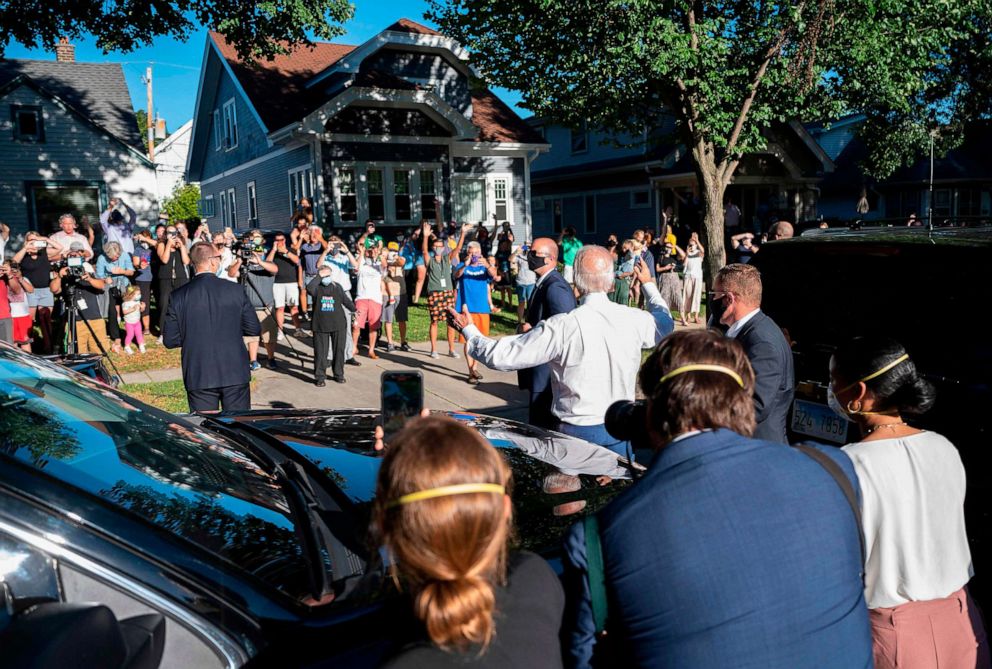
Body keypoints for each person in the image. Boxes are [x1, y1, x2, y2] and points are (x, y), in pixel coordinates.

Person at [561, 329, 872, 668]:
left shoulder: (599, 539)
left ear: (651, 413)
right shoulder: (832, 469)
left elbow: (583, 657)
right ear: (744, 403)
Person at [830, 337, 990, 669]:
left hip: (893, 635)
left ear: (858, 393)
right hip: (962, 622)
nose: (831, 390)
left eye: (834, 382)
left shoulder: (850, 464)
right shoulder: (943, 447)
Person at [374, 416, 565, 669]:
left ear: (385, 526)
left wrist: (397, 465)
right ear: (504, 510)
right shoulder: (533, 578)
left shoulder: (393, 650)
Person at [453, 247, 673, 455]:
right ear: (611, 282)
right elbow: (664, 323)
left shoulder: (563, 326)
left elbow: (503, 356)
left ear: (575, 280)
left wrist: (470, 331)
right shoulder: (633, 319)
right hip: (620, 426)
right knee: (620, 491)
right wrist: (648, 284)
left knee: (570, 494)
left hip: (576, 433)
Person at [163, 242, 261, 412]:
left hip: (199, 371)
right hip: (234, 369)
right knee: (238, 429)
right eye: (219, 257)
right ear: (213, 261)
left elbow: (171, 339)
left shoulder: (178, 296)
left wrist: (193, 335)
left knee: (207, 431)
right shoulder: (235, 290)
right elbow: (253, 328)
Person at [712, 263, 794, 443]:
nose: (712, 300)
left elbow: (755, 405)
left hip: (757, 448)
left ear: (729, 299)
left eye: (715, 295)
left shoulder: (761, 342)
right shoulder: (748, 332)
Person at [516, 237, 576, 430]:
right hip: (539, 363)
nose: (529, 257)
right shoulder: (543, 282)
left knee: (541, 426)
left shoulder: (555, 286)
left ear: (550, 259)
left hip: (547, 371)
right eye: (529, 253)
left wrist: (532, 330)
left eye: (534, 254)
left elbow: (564, 328)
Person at [232, 231, 280, 371]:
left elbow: (274, 269)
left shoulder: (267, 263)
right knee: (251, 336)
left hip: (266, 307)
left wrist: (259, 261)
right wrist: (240, 260)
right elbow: (231, 273)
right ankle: (253, 361)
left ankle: (271, 358)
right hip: (248, 307)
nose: (254, 252)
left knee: (269, 336)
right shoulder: (243, 264)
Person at [422, 221, 469, 359]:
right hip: (434, 293)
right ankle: (434, 349)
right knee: (435, 321)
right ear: (433, 247)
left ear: (444, 248)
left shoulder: (447, 259)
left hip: (448, 293)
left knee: (450, 321)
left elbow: (458, 249)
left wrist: (463, 233)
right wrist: (425, 236)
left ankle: (451, 349)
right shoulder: (429, 260)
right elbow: (424, 251)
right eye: (436, 246)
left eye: (440, 247)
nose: (438, 249)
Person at [50, 242, 108, 354]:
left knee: (98, 351)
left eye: (77, 256)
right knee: (78, 352)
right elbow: (53, 289)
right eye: (71, 257)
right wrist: (59, 276)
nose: (74, 259)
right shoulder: (64, 273)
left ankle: (97, 370)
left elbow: (101, 285)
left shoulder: (87, 269)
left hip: (94, 317)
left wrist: (89, 279)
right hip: (74, 319)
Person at [454, 241, 498, 385]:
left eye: (476, 253)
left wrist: (486, 265)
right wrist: (465, 264)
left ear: (480, 253)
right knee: (468, 340)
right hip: (466, 308)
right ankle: (471, 371)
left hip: (482, 308)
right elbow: (456, 275)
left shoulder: (484, 266)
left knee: (480, 340)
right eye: (471, 253)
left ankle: (475, 368)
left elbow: (494, 276)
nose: (473, 256)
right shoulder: (463, 265)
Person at [306, 266, 355, 386]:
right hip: (320, 325)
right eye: (324, 275)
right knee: (321, 353)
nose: (326, 278)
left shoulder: (337, 287)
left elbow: (345, 300)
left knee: (339, 351)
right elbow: (309, 289)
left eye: (328, 275)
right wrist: (319, 276)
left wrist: (355, 310)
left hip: (338, 324)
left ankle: (339, 374)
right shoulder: (316, 287)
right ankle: (320, 377)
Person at [319, 236, 362, 368]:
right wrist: (326, 251)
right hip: (330, 293)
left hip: (345, 293)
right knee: (331, 325)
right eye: (332, 242)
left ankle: (348, 355)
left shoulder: (344, 258)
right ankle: (330, 357)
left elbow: (356, 265)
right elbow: (318, 266)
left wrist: (346, 250)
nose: (335, 246)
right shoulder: (326, 257)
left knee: (347, 324)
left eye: (336, 242)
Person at [12, 232, 59, 352]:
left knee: (46, 318)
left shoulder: (44, 252)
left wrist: (44, 239)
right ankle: (28, 344)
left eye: (35, 240)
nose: (34, 243)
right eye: (30, 240)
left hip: (46, 289)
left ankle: (48, 346)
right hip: (30, 290)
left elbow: (60, 248)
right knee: (30, 320)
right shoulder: (24, 255)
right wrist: (25, 248)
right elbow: (13, 261)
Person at [95, 241, 135, 353]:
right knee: (112, 312)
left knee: (130, 308)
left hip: (124, 284)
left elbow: (131, 272)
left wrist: (122, 271)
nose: (114, 259)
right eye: (111, 257)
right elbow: (98, 276)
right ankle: (116, 337)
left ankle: (132, 334)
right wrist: (105, 279)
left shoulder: (125, 255)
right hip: (110, 286)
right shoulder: (101, 258)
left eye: (116, 256)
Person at [352, 235, 387, 360]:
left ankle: (371, 350)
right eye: (369, 250)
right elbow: (356, 267)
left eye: (373, 249)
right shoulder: (361, 261)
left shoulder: (378, 263)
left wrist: (378, 252)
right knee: (356, 325)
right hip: (361, 298)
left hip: (375, 299)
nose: (371, 252)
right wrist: (362, 251)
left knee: (373, 326)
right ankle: (354, 347)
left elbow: (384, 266)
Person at [155, 225, 190, 338]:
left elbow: (186, 261)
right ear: (166, 233)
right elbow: (164, 260)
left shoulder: (181, 243)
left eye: (174, 232)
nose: (172, 234)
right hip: (166, 278)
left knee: (181, 304)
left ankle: (182, 330)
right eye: (169, 232)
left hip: (180, 277)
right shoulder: (161, 244)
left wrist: (182, 247)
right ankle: (162, 333)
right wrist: (168, 245)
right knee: (164, 304)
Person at [267, 232, 302, 339]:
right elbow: (268, 262)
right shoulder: (272, 251)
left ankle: (298, 329)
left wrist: (286, 251)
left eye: (281, 239)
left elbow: (297, 261)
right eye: (277, 240)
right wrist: (273, 250)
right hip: (277, 283)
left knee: (294, 307)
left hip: (292, 282)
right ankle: (280, 330)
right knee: (280, 308)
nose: (279, 242)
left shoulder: (291, 250)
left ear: (285, 240)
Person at [382, 242, 410, 352]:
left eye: (395, 250)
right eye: (391, 250)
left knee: (402, 320)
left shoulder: (400, 259)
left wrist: (395, 258)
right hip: (387, 294)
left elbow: (401, 262)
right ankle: (390, 343)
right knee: (388, 320)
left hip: (401, 293)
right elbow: (383, 265)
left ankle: (403, 342)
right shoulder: (383, 260)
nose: (393, 252)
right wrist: (385, 257)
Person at [4, 262, 33, 352]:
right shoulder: (3, 280)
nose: (11, 271)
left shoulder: (23, 279)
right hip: (9, 316)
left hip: (22, 315)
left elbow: (31, 290)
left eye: (13, 268)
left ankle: (29, 364)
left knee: (25, 342)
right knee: (11, 343)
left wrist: (20, 279)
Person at [131, 230, 155, 333]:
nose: (144, 242)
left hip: (155, 277)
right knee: (144, 302)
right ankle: (146, 327)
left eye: (146, 238)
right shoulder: (138, 249)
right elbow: (135, 263)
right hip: (143, 279)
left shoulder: (154, 248)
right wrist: (139, 265)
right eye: (142, 239)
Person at [679, 232, 704, 325]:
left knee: (696, 296)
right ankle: (688, 316)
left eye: (693, 245)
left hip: (697, 277)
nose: (691, 246)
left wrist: (697, 240)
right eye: (690, 244)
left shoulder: (699, 253)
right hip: (688, 276)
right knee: (687, 295)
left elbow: (703, 251)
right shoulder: (688, 253)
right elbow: (684, 264)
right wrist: (687, 253)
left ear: (696, 245)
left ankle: (696, 316)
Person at [510, 242, 536, 324]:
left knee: (530, 302)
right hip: (521, 282)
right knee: (521, 302)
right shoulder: (519, 256)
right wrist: (516, 251)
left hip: (531, 282)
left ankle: (530, 320)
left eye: (529, 246)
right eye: (526, 246)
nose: (527, 248)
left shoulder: (534, 256)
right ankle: (519, 321)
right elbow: (510, 259)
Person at [655, 241, 684, 315]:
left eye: (670, 247)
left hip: (674, 278)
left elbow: (683, 255)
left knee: (678, 297)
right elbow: (657, 269)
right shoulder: (660, 257)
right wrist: (666, 267)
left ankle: (683, 319)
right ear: (664, 247)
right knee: (665, 297)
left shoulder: (674, 257)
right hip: (664, 279)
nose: (668, 249)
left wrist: (675, 246)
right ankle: (666, 315)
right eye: (667, 247)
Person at [120, 285, 146, 354]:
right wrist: (133, 309)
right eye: (137, 294)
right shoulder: (125, 303)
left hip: (137, 322)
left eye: (139, 294)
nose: (139, 295)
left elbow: (140, 311)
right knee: (130, 334)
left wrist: (143, 307)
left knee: (139, 333)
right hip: (129, 323)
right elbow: (124, 312)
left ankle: (141, 344)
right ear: (131, 295)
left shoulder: (137, 301)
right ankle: (127, 346)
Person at [610, 240, 636, 306]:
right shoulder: (622, 255)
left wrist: (630, 249)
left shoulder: (631, 255)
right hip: (621, 274)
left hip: (624, 277)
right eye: (623, 248)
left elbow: (632, 255)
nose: (624, 250)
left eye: (625, 248)